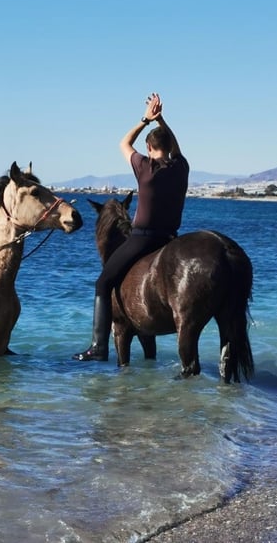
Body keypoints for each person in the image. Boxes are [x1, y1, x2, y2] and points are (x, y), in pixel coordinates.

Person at [73, 92, 189, 362]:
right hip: (171, 239)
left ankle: (99, 347)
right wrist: (162, 121)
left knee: (102, 283)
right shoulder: (181, 167)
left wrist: (145, 120)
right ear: (170, 146)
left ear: (149, 148)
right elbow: (177, 148)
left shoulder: (145, 167)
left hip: (144, 239)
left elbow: (124, 143)